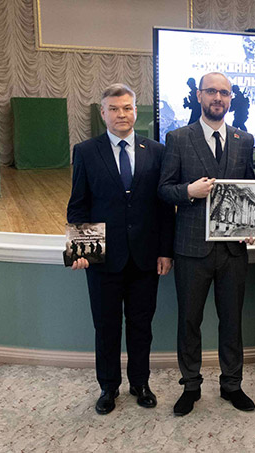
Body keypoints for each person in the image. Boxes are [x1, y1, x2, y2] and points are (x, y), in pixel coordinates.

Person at [67, 83, 175, 415]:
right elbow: (78, 204)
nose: (121, 114)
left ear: (136, 111)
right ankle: (108, 386)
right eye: (114, 109)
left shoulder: (156, 151)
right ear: (103, 113)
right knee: (106, 327)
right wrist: (81, 250)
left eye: (127, 108)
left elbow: (164, 207)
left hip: (145, 257)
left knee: (142, 326)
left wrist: (165, 251)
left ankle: (140, 383)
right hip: (104, 260)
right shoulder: (86, 151)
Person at [158, 72, 255, 416]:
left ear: (231, 99)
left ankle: (232, 384)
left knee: (232, 321)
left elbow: (250, 190)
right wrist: (188, 191)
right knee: (189, 321)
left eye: (224, 93)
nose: (218, 98)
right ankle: (191, 386)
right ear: (199, 96)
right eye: (212, 91)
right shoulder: (178, 138)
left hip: (232, 248)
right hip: (191, 248)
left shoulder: (244, 140)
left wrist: (254, 225)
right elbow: (163, 189)